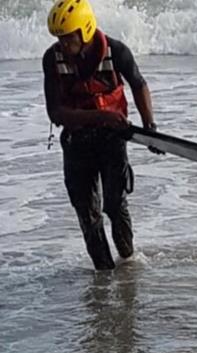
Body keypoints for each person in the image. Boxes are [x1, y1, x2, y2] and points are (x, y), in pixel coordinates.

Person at [43, 0, 159, 270]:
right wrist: (101, 116)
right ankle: (104, 275)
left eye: (68, 38)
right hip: (77, 142)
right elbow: (56, 112)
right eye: (59, 39)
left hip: (112, 140)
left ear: (84, 31)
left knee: (115, 205)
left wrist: (149, 126)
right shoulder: (52, 59)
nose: (63, 45)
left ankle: (128, 262)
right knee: (88, 214)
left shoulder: (116, 51)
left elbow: (139, 84)